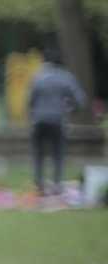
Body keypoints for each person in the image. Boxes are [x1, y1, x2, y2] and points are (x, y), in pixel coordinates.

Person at [28, 47, 87, 196]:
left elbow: (30, 101)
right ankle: (57, 185)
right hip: (58, 120)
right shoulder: (65, 77)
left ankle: (39, 185)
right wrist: (70, 109)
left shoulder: (37, 77)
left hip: (39, 120)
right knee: (58, 153)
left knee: (39, 153)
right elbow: (81, 100)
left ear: (44, 61)